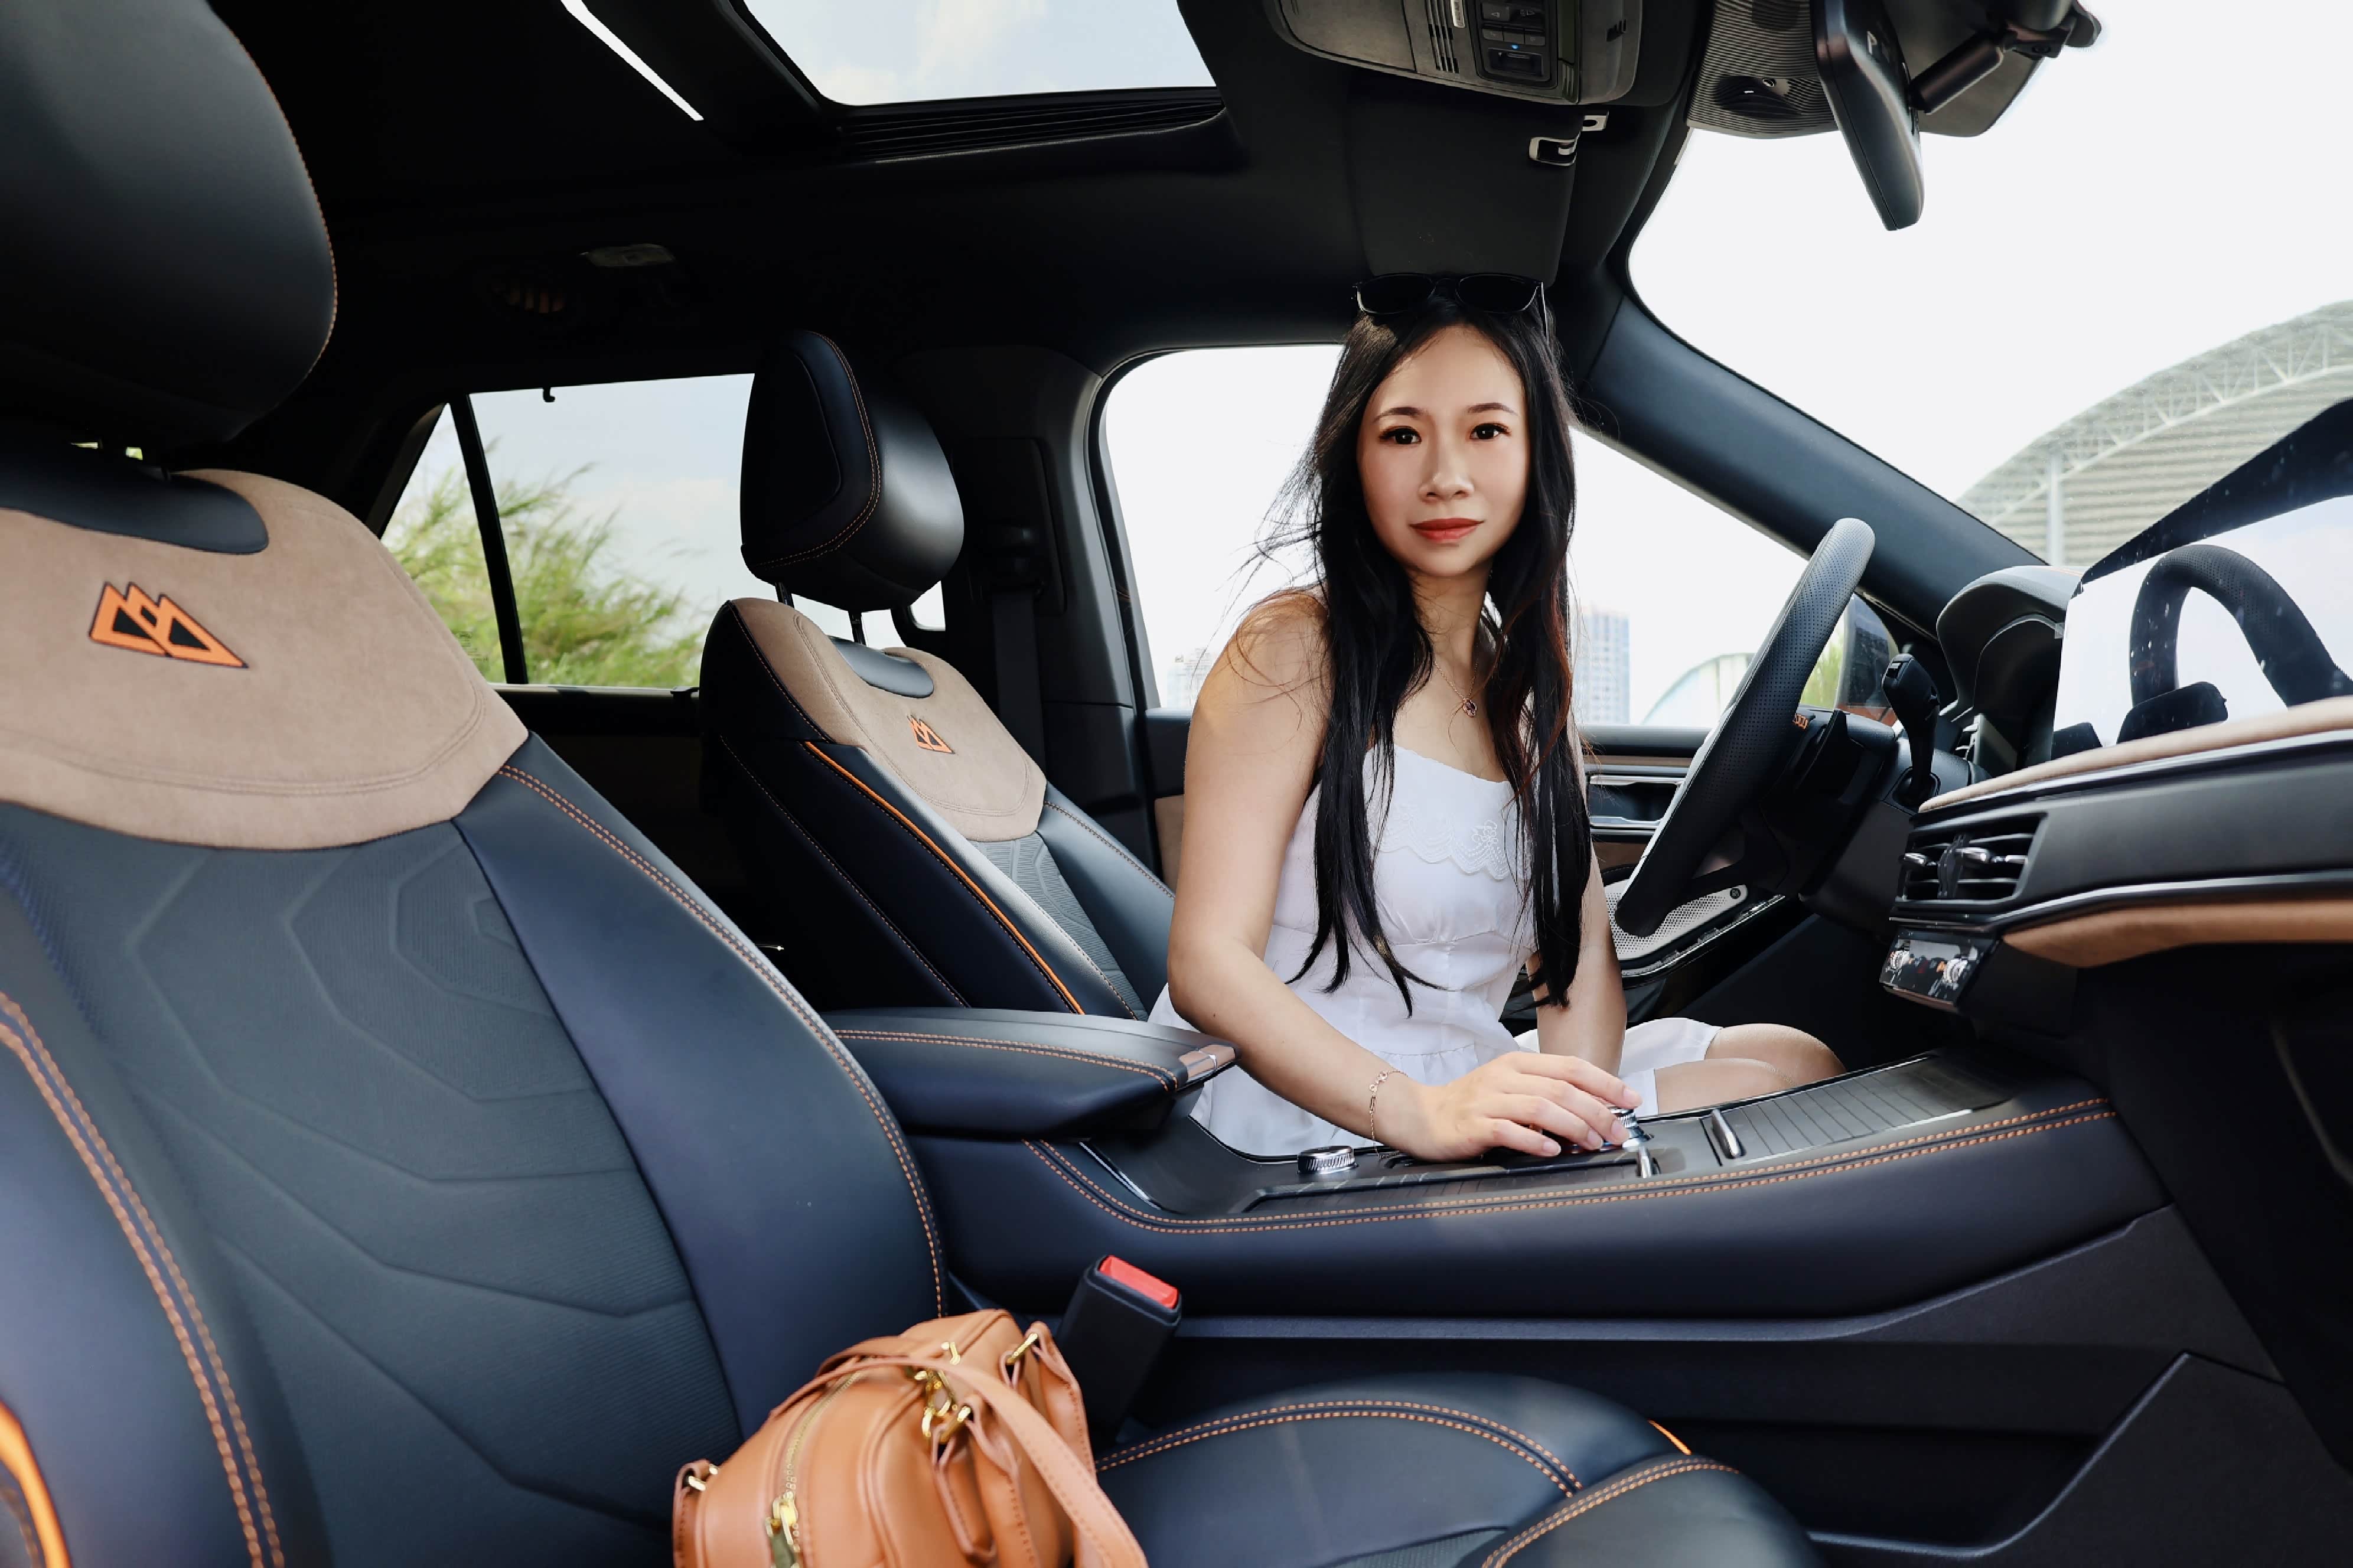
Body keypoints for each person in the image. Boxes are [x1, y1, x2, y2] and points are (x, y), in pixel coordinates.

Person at [1148, 275, 1843, 1161]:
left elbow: (1574, 970)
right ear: (1353, 459)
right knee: (1769, 1107)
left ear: (1534, 455)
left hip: (1465, 1075)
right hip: (1310, 1105)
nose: (1446, 478)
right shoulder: (1296, 647)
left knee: (1796, 1063)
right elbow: (1208, 963)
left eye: (1485, 431)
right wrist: (1415, 1111)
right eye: (1403, 435)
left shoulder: (1525, 691)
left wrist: (1580, 1125)